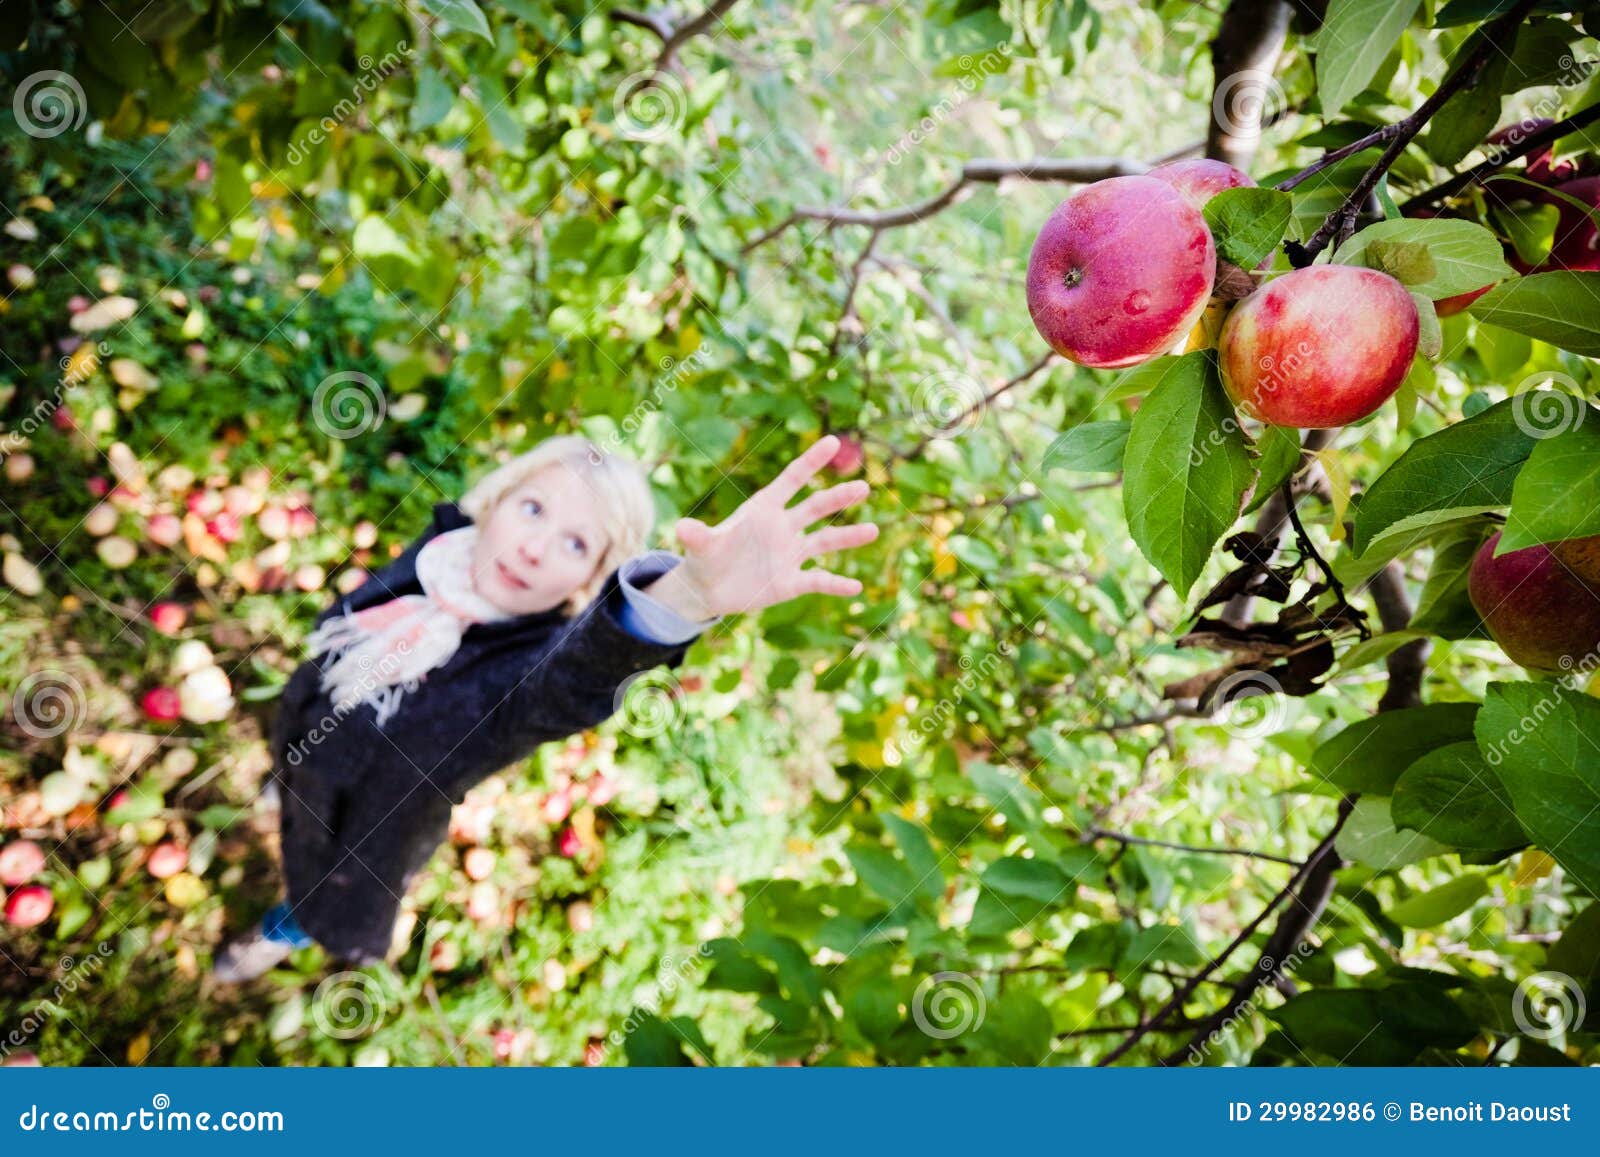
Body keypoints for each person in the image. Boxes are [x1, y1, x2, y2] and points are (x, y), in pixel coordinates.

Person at [210, 433, 877, 981]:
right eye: (532, 509)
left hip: (361, 831)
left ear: (587, 581)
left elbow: (578, 678)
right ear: (496, 500)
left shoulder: (524, 675)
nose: (533, 546)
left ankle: (275, 936)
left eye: (576, 543)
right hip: (308, 739)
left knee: (315, 895)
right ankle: (285, 784)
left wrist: (690, 595)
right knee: (293, 777)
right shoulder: (442, 556)